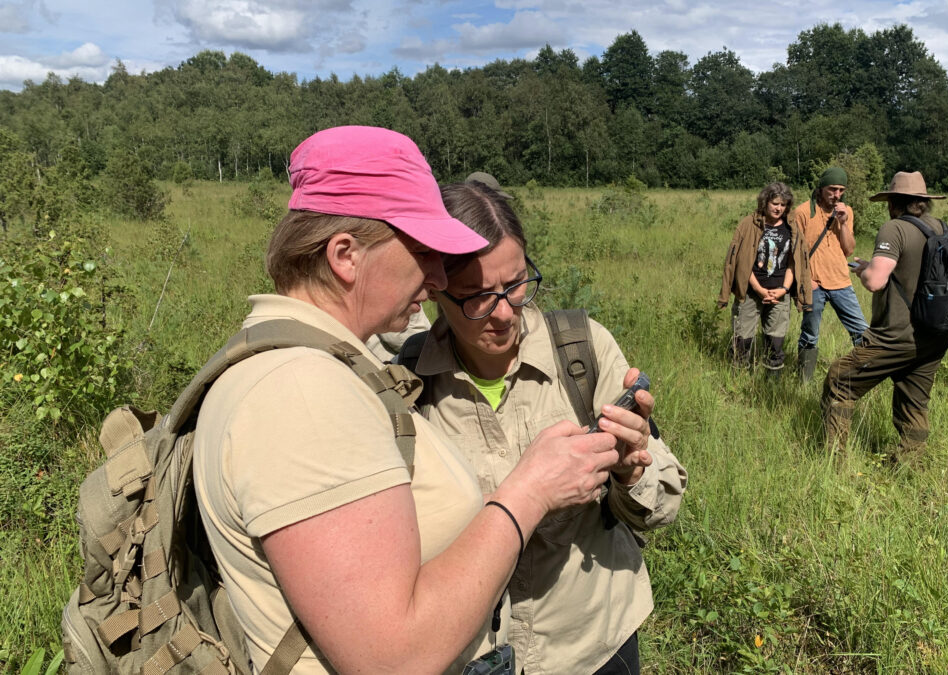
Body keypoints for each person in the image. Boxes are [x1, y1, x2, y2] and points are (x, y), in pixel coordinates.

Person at [191, 126, 625, 674]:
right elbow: (393, 659)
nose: (439, 276)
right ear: (345, 255)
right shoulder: (302, 392)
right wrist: (530, 489)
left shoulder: (315, 364)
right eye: (424, 251)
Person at [403, 181, 687, 674]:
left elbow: (663, 503)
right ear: (434, 291)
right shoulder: (408, 384)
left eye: (516, 285)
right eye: (477, 298)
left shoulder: (580, 348)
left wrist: (629, 470)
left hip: (594, 641)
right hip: (472, 653)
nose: (506, 313)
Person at [821, 171, 948, 466]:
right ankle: (909, 465)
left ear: (894, 202)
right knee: (914, 402)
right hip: (934, 336)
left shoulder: (894, 228)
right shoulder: (940, 227)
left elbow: (875, 281)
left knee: (839, 380)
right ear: (922, 201)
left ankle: (834, 462)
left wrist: (865, 270)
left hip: (895, 336)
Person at [716, 182, 812, 375]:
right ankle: (738, 380)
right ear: (765, 202)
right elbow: (742, 263)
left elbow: (795, 263)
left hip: (779, 294)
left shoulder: (791, 227)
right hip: (750, 292)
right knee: (742, 341)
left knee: (775, 343)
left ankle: (771, 385)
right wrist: (760, 290)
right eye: (775, 203)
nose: (778, 208)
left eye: (783, 205)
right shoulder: (748, 224)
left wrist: (784, 289)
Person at [792, 167, 869, 381]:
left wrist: (843, 223)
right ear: (821, 187)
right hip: (814, 284)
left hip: (841, 281)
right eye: (832, 189)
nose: (836, 195)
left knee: (861, 332)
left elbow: (849, 250)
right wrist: (807, 282)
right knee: (810, 335)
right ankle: (804, 381)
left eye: (841, 190)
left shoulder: (847, 212)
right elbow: (795, 252)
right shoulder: (802, 212)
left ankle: (865, 377)